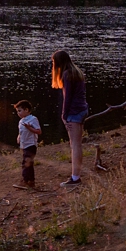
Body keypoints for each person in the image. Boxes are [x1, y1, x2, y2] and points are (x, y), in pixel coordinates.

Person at [50, 49, 88, 185]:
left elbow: (68, 98)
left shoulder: (66, 75)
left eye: (54, 62)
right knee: (76, 144)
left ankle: (75, 178)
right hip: (82, 109)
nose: (53, 65)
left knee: (75, 145)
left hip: (74, 113)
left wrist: (64, 115)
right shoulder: (76, 72)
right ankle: (75, 175)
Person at [12, 100, 42, 188]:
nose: (18, 113)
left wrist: (29, 128)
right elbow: (21, 131)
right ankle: (31, 181)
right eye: (17, 111)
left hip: (31, 145)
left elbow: (39, 131)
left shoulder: (33, 119)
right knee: (29, 163)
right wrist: (19, 137)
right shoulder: (21, 121)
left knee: (26, 163)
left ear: (27, 110)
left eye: (20, 111)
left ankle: (25, 181)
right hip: (24, 145)